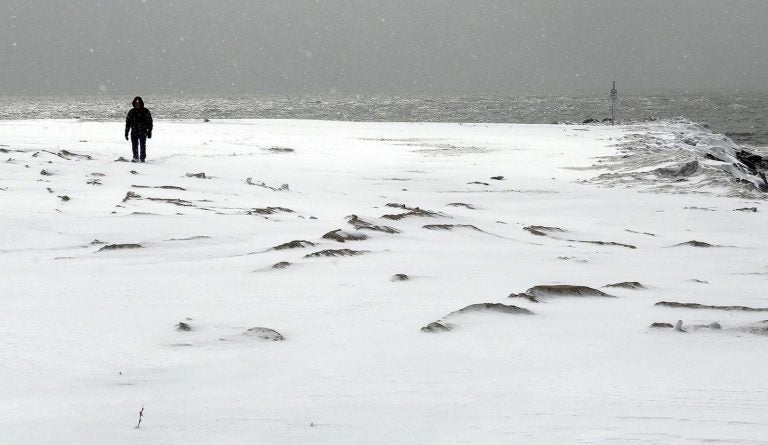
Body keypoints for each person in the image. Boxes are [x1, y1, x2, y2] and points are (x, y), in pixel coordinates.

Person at [124, 96, 153, 163]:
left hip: (143, 131)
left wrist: (149, 131)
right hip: (134, 131)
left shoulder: (145, 111)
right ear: (134, 104)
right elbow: (128, 123)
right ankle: (135, 157)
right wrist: (126, 133)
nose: (138, 104)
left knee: (142, 145)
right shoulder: (131, 112)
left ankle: (142, 158)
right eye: (136, 103)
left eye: (139, 103)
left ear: (141, 103)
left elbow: (150, 122)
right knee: (134, 145)